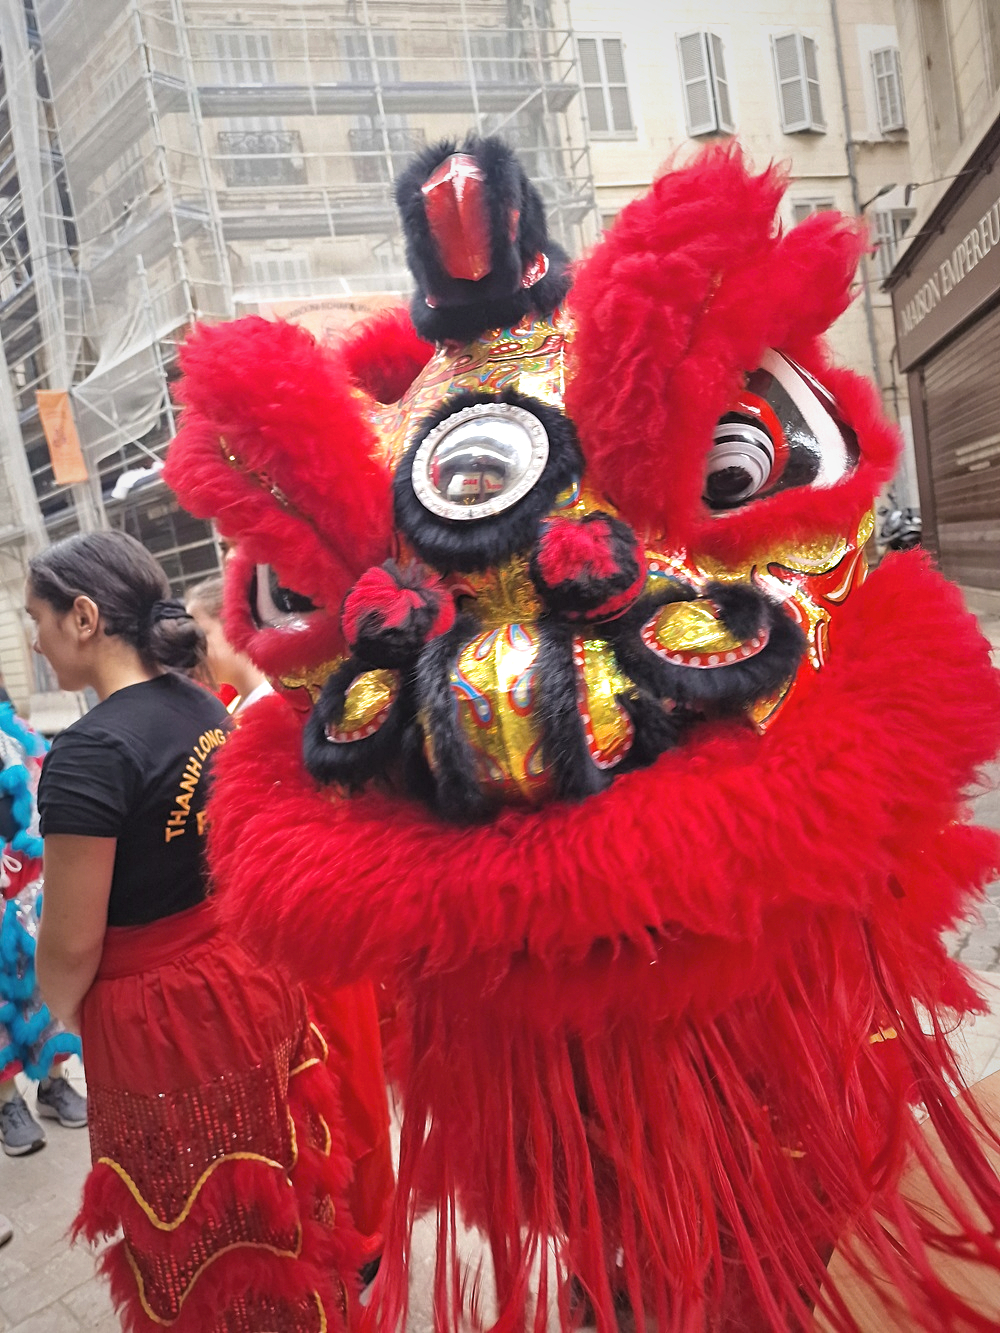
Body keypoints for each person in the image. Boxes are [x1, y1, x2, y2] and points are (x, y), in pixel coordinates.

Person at [29, 531, 360, 1333]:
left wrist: (67, 1010)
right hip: (247, 974)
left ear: (82, 617)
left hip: (159, 1016)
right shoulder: (199, 703)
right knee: (275, 1184)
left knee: (194, 1213)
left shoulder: (90, 752)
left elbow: (71, 944)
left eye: (32, 618)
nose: (32, 641)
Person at [185, 573, 394, 1281]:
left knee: (353, 1092)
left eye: (200, 632)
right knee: (328, 1092)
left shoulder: (280, 710)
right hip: (294, 946)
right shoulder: (236, 709)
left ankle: (367, 1238)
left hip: (325, 933)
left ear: (224, 629)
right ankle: (352, 1229)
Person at [0, 699, 86, 1156]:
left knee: (48, 991)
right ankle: (7, 1104)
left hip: (32, 883)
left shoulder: (20, 734)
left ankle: (55, 1086)